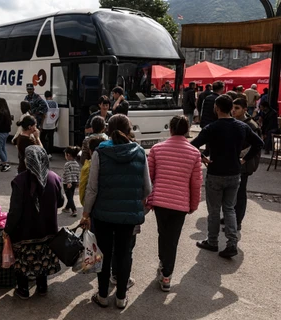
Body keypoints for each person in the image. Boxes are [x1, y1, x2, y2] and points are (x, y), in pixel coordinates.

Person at [81, 114, 151, 309]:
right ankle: (121, 298)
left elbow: (92, 188)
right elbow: (147, 188)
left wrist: (86, 213)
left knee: (104, 253)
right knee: (124, 253)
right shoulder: (139, 152)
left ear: (108, 130)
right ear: (129, 129)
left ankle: (102, 295)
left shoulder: (99, 153)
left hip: (103, 214)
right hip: (128, 217)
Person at [191, 94, 264, 258]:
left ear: (216, 108)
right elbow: (259, 143)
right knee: (230, 208)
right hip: (234, 172)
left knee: (214, 210)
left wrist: (202, 157)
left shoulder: (212, 127)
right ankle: (232, 243)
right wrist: (244, 159)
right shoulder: (242, 127)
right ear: (231, 108)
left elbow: (192, 145)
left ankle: (212, 241)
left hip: (216, 172)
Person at [147, 115, 203, 292]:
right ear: (187, 130)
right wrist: (193, 204)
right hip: (180, 204)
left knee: (163, 235)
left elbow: (149, 178)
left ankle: (163, 266)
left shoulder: (157, 149)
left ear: (170, 129)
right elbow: (195, 183)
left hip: (161, 202)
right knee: (172, 239)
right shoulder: (194, 153)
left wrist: (147, 201)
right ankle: (166, 275)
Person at [4, 145, 64, 300]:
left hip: (25, 231)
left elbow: (15, 211)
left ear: (27, 160)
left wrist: (7, 229)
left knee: (23, 260)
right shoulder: (54, 178)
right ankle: (42, 287)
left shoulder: (19, 181)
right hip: (48, 229)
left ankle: (23, 289)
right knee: (42, 259)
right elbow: (61, 202)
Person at [224, 98, 262, 230]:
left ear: (245, 109)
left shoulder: (251, 125)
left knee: (240, 193)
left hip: (243, 164)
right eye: (232, 108)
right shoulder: (233, 122)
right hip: (233, 163)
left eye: (237, 108)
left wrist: (239, 156)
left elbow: (255, 146)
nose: (233, 110)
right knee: (230, 192)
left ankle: (237, 221)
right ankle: (230, 217)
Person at [79, 137, 107, 206]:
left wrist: (86, 209)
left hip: (94, 206)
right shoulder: (110, 163)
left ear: (90, 152)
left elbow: (84, 188)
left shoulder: (88, 166)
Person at [61, 146, 81, 217]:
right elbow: (78, 174)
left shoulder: (67, 164)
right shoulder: (76, 164)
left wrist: (68, 182)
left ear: (68, 155)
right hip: (74, 182)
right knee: (71, 196)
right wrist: (78, 182)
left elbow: (68, 174)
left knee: (69, 197)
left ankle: (74, 210)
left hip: (67, 183)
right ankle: (67, 208)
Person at [40, 90, 59, 158]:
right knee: (51, 139)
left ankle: (45, 151)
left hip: (45, 124)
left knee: (42, 138)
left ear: (45, 96)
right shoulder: (55, 103)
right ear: (51, 96)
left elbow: (43, 114)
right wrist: (55, 123)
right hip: (52, 125)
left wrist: (41, 125)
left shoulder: (44, 103)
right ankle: (50, 153)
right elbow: (57, 115)